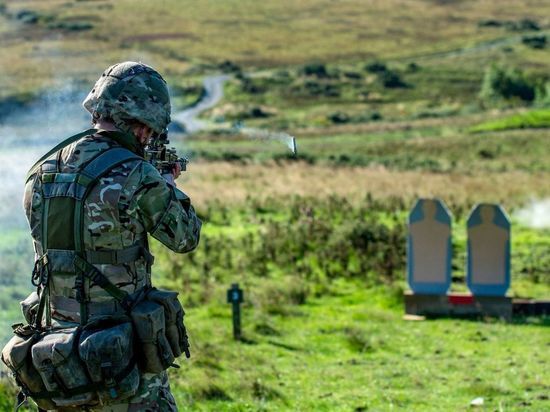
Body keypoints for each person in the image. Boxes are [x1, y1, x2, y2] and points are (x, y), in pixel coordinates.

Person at [21, 61, 202, 411]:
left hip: (56, 359)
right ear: (144, 123)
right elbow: (185, 237)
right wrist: (167, 183)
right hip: (121, 358)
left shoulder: (41, 172)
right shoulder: (136, 174)